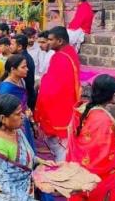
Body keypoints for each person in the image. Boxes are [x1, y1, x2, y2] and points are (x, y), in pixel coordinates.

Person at [66, 74, 115, 201]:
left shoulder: (82, 108)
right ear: (112, 96)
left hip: (77, 171)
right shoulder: (102, 120)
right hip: (92, 181)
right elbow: (104, 158)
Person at [0, 94, 55, 200]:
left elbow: (27, 156)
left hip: (25, 190)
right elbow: (3, 187)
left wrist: (40, 161)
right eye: (18, 114)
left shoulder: (16, 131)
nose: (23, 116)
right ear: (2, 118)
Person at [34, 26, 80, 162]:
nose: (48, 42)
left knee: (61, 146)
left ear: (59, 41)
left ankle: (62, 169)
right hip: (68, 100)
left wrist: (42, 81)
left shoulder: (60, 57)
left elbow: (54, 85)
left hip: (61, 104)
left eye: (50, 40)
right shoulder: (69, 52)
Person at [0, 54, 36, 150]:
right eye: (23, 67)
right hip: (13, 124)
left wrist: (29, 116)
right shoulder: (5, 89)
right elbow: (3, 112)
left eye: (26, 66)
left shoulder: (21, 81)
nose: (27, 69)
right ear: (12, 69)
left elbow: (23, 102)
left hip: (23, 121)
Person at [9, 34, 36, 111]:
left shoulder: (22, 60)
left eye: (12, 44)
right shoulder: (23, 57)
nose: (10, 46)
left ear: (20, 47)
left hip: (25, 99)